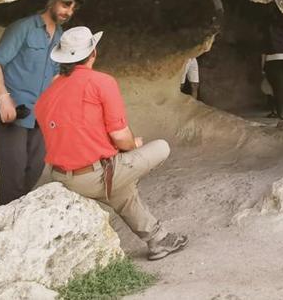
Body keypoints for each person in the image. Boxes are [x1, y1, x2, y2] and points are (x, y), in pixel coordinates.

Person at [35, 27, 188, 261]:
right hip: (94, 176)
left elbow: (70, 134)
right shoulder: (101, 82)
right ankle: (127, 186)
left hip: (61, 177)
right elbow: (120, 136)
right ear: (93, 52)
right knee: (160, 147)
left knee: (122, 189)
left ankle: (158, 240)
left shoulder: (47, 94)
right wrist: (133, 145)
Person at [0, 0, 79, 205]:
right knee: (14, 174)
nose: (69, 11)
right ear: (52, 2)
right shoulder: (23, 28)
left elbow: (55, 76)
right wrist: (3, 98)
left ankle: (13, 215)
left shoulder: (61, 37)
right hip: (12, 111)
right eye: (66, 4)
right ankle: (5, 224)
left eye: (73, 7)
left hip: (40, 115)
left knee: (34, 169)